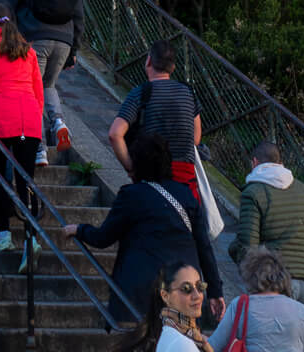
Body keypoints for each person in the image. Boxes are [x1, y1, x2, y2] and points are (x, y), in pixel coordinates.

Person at [64, 133, 225, 328]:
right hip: (184, 289)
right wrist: (215, 292)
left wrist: (79, 229)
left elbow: (103, 237)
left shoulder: (131, 196)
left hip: (142, 293)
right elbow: (204, 247)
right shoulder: (187, 196)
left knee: (148, 348)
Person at [0, 3, 44, 260]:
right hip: (29, 125)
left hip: (1, 122)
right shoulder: (29, 51)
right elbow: (38, 92)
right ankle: (31, 237)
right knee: (26, 180)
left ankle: (4, 234)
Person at [4, 0, 83, 160]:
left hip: (34, 40)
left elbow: (5, 9)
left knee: (30, 93)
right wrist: (73, 50)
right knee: (47, 85)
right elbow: (79, 16)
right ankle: (58, 122)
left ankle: (38, 150)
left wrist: (11, 39)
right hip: (64, 42)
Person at [232, 141, 304, 308]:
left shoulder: (254, 192)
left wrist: (233, 251)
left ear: (255, 162)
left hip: (274, 281)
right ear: (280, 162)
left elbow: (248, 246)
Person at [110, 40, 202, 195]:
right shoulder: (188, 93)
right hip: (185, 185)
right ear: (173, 67)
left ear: (149, 61)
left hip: (152, 180)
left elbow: (114, 134)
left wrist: (131, 168)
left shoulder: (140, 93)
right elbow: (196, 139)